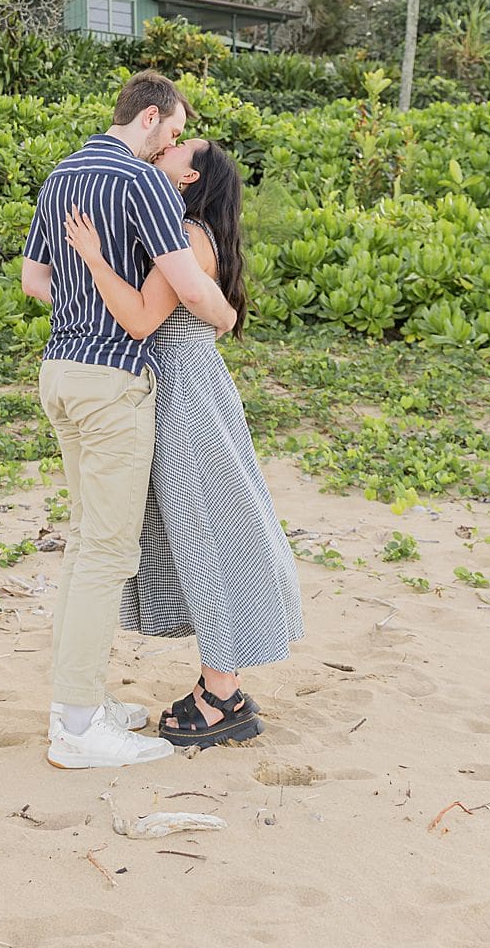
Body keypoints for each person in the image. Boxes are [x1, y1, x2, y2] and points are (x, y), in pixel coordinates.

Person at [21, 72, 238, 770]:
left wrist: (83, 300)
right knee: (107, 555)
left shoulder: (60, 175)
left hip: (58, 370)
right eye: (173, 133)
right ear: (150, 118)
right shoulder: (141, 181)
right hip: (112, 380)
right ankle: (79, 727)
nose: (172, 145)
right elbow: (185, 285)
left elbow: (33, 282)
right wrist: (225, 313)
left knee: (87, 544)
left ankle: (78, 703)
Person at [63, 136, 304, 750]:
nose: (161, 149)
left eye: (174, 149)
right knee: (197, 526)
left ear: (191, 177)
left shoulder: (189, 234)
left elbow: (145, 318)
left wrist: (91, 257)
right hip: (186, 382)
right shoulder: (182, 229)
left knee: (207, 528)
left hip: (180, 389)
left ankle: (221, 693)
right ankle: (220, 682)